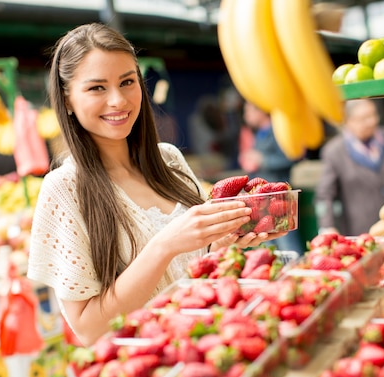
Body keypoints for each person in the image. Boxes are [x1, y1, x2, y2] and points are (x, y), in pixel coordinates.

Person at [26, 23, 285, 347]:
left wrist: (231, 239)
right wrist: (165, 246)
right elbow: (88, 329)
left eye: (127, 82)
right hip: (151, 371)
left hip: (213, 347)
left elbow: (196, 274)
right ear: (66, 100)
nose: (118, 100)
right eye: (97, 88)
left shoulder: (170, 161)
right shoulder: (64, 190)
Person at [316, 98, 384, 237]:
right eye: (364, 118)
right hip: (362, 230)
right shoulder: (334, 152)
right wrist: (327, 226)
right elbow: (324, 195)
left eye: (373, 115)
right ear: (348, 122)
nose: (372, 121)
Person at [239, 101, 305, 254]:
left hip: (280, 197)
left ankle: (294, 272)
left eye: (248, 111)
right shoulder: (258, 134)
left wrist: (262, 160)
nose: (246, 116)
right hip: (263, 200)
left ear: (261, 112)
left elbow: (291, 158)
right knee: (267, 242)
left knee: (286, 239)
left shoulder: (278, 131)